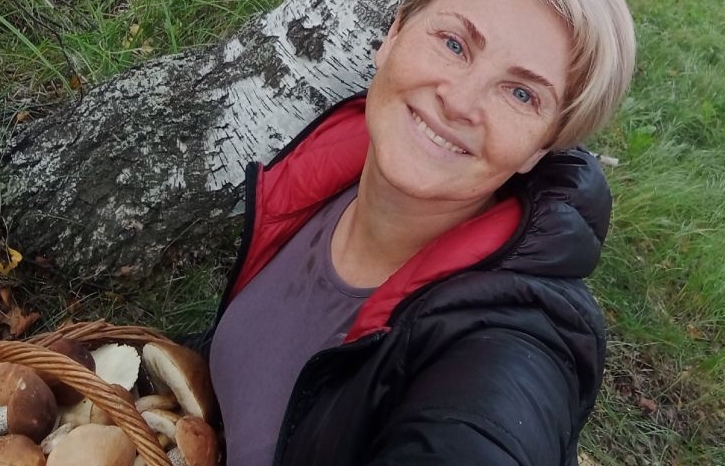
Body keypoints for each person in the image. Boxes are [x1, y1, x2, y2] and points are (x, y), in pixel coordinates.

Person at [190, 0, 635, 464]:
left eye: (522, 94)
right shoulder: (322, 179)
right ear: (394, 34)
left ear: (540, 149)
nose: (459, 102)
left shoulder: (511, 346)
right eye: (454, 44)